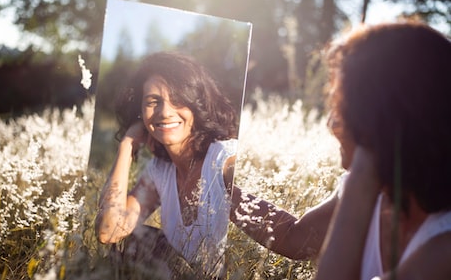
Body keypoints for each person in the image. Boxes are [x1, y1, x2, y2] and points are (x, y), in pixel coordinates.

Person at [94, 51, 309, 279]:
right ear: (140, 112)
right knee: (134, 241)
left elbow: (292, 241)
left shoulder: (224, 161)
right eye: (152, 101)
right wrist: (127, 145)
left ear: (196, 104)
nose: (165, 112)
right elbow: (109, 231)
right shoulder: (160, 171)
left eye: (178, 99)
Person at [314, 21, 451, 280]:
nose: (332, 124)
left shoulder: (443, 252)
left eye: (343, 107)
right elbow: (293, 237)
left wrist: (363, 173)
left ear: (380, 120)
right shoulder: (383, 198)